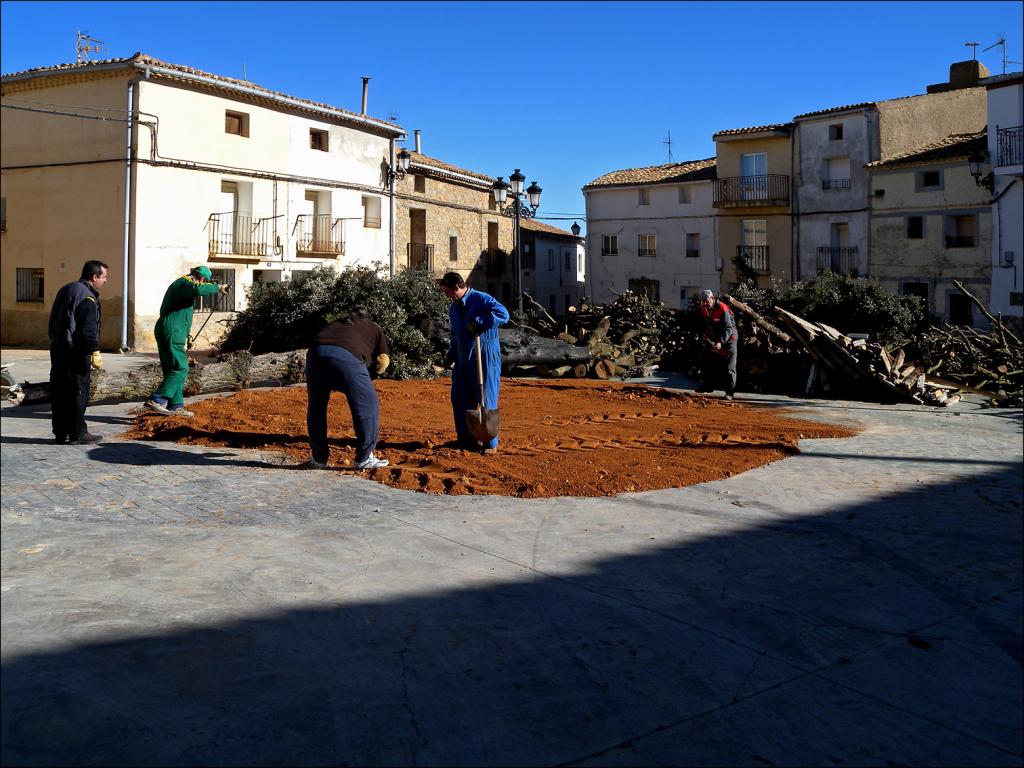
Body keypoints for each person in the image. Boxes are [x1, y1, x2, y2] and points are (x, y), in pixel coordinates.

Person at [304, 307, 390, 470]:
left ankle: (318, 459)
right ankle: (364, 458)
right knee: (367, 406)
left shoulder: (336, 323)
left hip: (315, 356)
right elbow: (383, 361)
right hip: (346, 359)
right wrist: (368, 378)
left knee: (317, 407)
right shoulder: (374, 327)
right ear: (367, 318)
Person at [438, 271, 510, 454]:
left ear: (457, 288)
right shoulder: (453, 308)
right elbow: (455, 335)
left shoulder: (481, 299)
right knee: (460, 397)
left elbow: (504, 314)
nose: (446, 296)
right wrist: (451, 355)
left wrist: (481, 322)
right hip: (463, 358)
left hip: (484, 355)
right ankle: (466, 439)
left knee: (486, 398)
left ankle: (490, 443)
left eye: (447, 292)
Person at [145, 266, 228, 417]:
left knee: (172, 369)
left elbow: (184, 312)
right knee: (181, 367)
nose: (203, 283)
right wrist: (219, 287)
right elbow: (198, 290)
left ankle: (176, 405)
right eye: (204, 281)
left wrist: (186, 335)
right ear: (201, 278)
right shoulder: (185, 283)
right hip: (172, 329)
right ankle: (157, 399)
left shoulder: (183, 285)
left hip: (171, 329)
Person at [48, 260, 109, 444]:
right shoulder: (87, 298)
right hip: (76, 352)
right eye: (104, 277)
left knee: (59, 391)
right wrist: (94, 352)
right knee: (78, 391)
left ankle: (61, 432)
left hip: (58, 348)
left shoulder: (66, 289)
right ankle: (78, 433)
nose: (105, 281)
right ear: (94, 277)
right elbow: (88, 331)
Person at [697, 288, 738, 400]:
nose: (705, 304)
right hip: (715, 336)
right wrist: (707, 334)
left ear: (712, 298)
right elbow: (710, 324)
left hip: (730, 337)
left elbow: (728, 328)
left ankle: (730, 392)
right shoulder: (704, 308)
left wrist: (721, 342)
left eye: (707, 301)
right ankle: (707, 386)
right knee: (705, 358)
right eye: (703, 301)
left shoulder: (722, 308)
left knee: (730, 366)